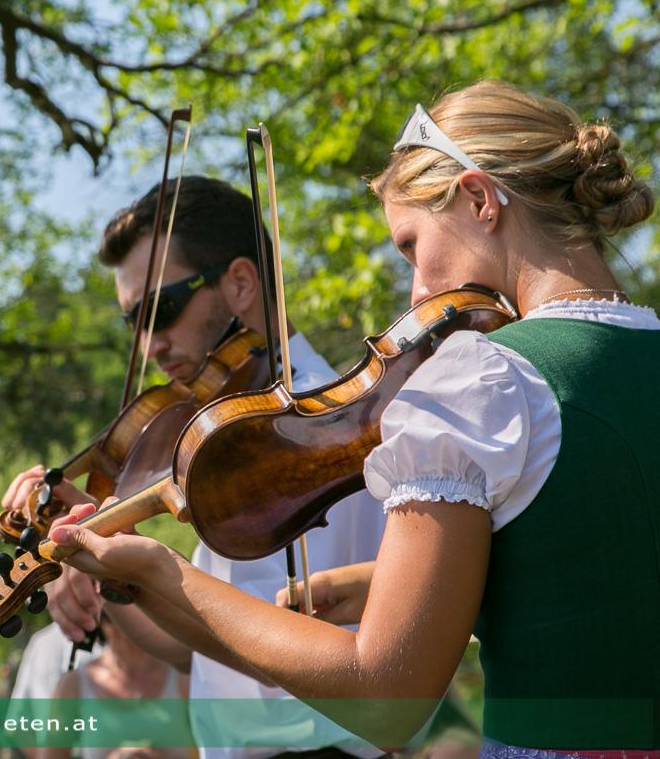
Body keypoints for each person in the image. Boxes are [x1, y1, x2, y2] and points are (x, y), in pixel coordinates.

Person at [47, 81, 659, 754]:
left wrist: (166, 572)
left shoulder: (484, 377)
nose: (418, 290)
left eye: (409, 244)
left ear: (480, 200)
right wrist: (379, 582)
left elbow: (385, 698)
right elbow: (590, 566)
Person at [5, 176, 388, 759]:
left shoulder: (320, 428)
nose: (147, 346)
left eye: (162, 310)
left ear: (239, 283)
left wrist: (150, 569)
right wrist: (101, 564)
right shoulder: (223, 432)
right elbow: (207, 652)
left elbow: (270, 652)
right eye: (132, 322)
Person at [37, 610, 192, 759]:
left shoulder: (184, 674)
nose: (125, 626)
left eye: (135, 612)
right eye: (111, 616)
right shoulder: (74, 683)